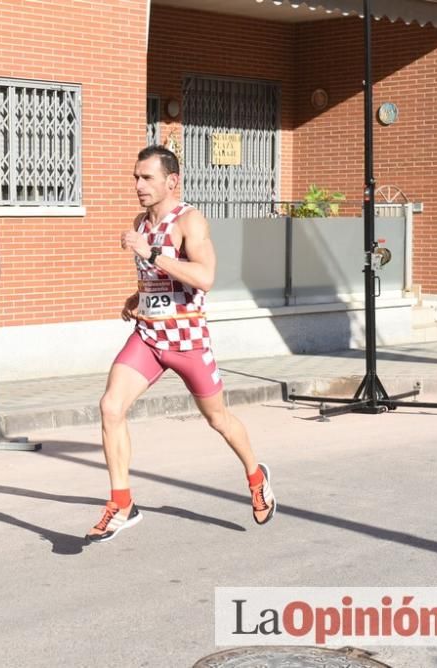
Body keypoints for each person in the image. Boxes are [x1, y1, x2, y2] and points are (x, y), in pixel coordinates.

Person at [85, 146, 276, 543]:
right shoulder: (141, 222)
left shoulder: (189, 220)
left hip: (187, 341)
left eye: (146, 178)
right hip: (149, 337)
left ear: (171, 181)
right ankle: (122, 502)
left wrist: (150, 251)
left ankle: (256, 476)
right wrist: (136, 298)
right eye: (135, 177)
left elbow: (204, 277)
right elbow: (160, 282)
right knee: (110, 406)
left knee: (219, 420)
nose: (138, 185)